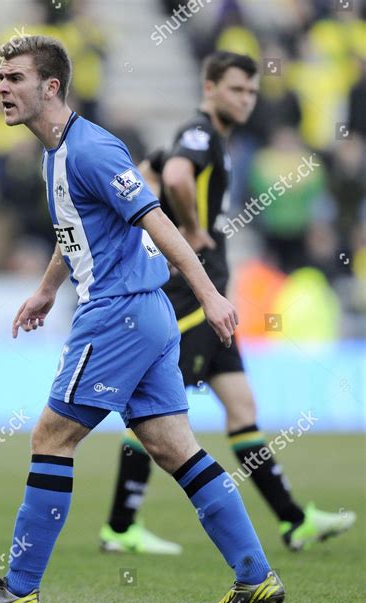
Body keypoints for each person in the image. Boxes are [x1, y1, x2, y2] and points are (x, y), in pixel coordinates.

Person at [0, 36, 284, 603]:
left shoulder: (93, 150)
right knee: (173, 447)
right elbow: (80, 230)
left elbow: (157, 221)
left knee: (51, 438)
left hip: (119, 314)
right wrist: (49, 289)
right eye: (0, 77)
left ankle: (19, 588)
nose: (1, 87)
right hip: (145, 314)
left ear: (50, 87)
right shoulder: (55, 151)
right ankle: (256, 578)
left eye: (15, 78)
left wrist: (211, 294)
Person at [100, 51, 356, 556]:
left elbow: (149, 171)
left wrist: (156, 220)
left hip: (210, 297)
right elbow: (172, 174)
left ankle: (293, 520)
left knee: (242, 407)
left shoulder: (212, 139)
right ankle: (120, 525)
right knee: (155, 411)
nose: (246, 99)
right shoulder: (200, 135)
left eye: (251, 92)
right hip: (194, 297)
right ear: (210, 86)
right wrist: (191, 230)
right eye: (236, 89)